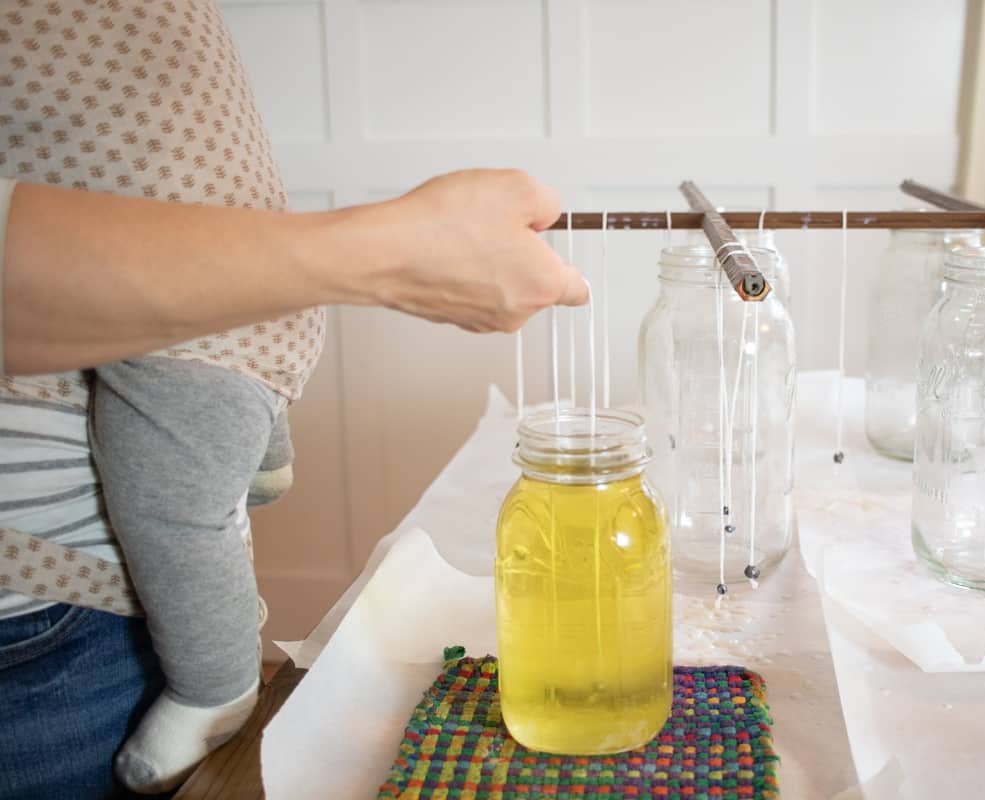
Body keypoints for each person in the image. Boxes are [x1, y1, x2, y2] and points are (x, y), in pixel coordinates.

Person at [0, 2, 586, 797]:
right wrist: (390, 252)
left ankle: (216, 659)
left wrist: (385, 252)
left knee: (182, 503)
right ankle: (220, 683)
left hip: (69, 575)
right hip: (223, 333)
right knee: (184, 506)